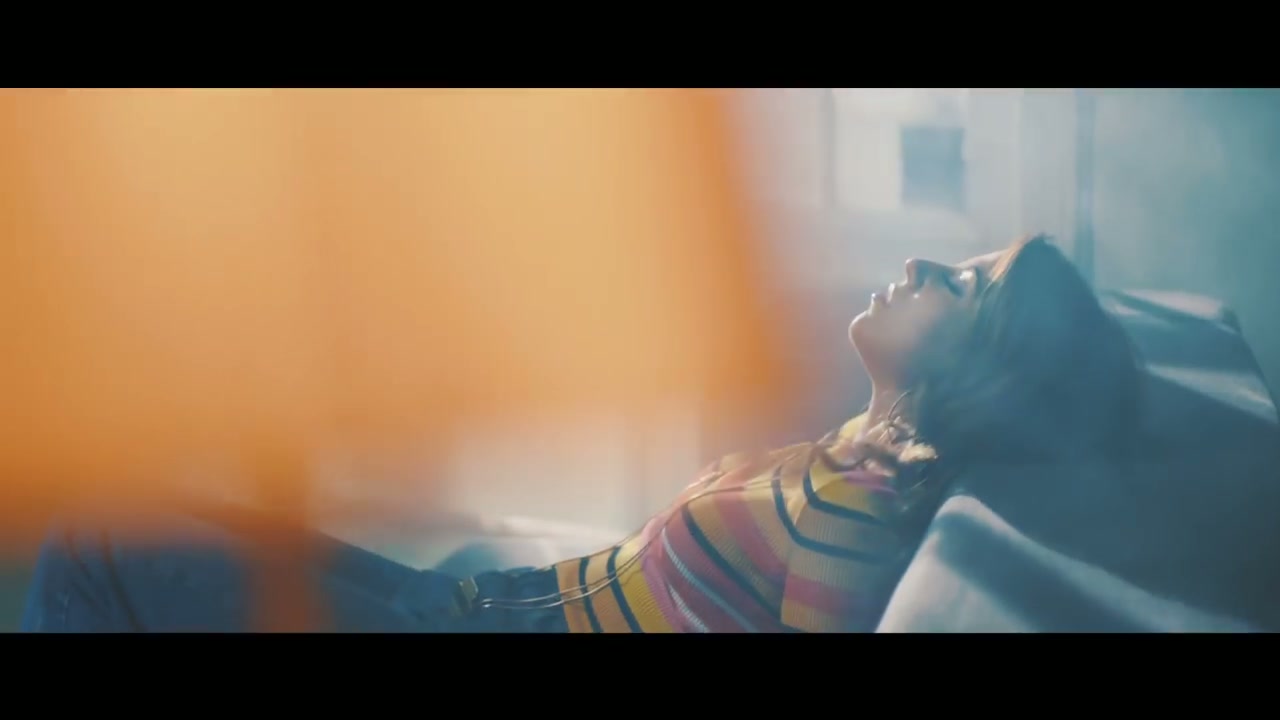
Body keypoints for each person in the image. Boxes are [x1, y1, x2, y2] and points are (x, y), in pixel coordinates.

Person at [20, 234, 1142, 633]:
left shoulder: (858, 515)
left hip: (484, 623)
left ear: (988, 367)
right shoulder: (855, 449)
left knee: (93, 545)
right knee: (136, 517)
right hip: (480, 602)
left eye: (962, 282)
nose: (923, 262)